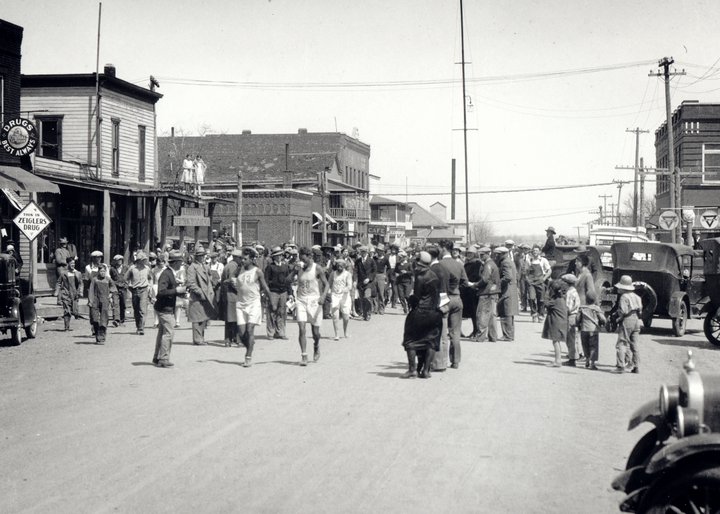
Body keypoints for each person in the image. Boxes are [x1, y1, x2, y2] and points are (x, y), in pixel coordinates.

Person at [400, 251, 442, 379]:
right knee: (430, 340)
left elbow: (417, 297)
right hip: (434, 312)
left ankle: (412, 369)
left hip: (420, 312)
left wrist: (410, 299)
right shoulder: (434, 275)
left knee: (410, 340)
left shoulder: (420, 277)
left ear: (419, 263)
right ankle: (426, 370)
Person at [232, 247, 272, 367]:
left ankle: (248, 357)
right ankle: (250, 343)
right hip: (240, 304)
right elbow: (233, 279)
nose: (242, 261)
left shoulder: (257, 271)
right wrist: (232, 282)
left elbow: (265, 287)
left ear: (251, 259)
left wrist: (271, 301)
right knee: (241, 333)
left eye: (245, 259)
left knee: (249, 330)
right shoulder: (239, 270)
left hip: (253, 304)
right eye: (242, 258)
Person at [437, 240, 469, 369]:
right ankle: (455, 361)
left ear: (444, 248)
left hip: (444, 298)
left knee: (442, 332)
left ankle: (441, 362)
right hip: (457, 298)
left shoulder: (439, 264)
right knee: (455, 332)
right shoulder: (459, 264)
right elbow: (465, 282)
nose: (438, 250)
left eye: (439, 248)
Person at [293, 246, 329, 366]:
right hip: (301, 300)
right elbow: (287, 281)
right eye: (300, 258)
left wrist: (323, 296)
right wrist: (294, 270)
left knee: (315, 333)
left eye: (303, 259)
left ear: (309, 257)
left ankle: (316, 345)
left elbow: (326, 284)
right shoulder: (299, 268)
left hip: (315, 301)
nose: (301, 261)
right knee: (302, 328)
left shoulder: (317, 268)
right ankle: (304, 355)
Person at [153, 250, 187, 368]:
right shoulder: (167, 274)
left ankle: (157, 358)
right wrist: (176, 291)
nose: (181, 265)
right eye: (180, 262)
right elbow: (161, 291)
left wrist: (179, 291)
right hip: (164, 308)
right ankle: (163, 358)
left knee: (162, 333)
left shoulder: (169, 273)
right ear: (176, 262)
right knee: (169, 333)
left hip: (164, 307)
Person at [185, 246, 217, 345]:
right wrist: (200, 292)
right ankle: (197, 339)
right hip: (197, 297)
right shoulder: (192, 267)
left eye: (203, 255)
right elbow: (190, 283)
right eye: (200, 256)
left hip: (206, 295)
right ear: (196, 257)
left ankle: (201, 338)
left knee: (203, 318)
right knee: (197, 318)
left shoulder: (205, 266)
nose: (202, 257)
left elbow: (209, 279)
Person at [613, 275, 642, 374]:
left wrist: (618, 319)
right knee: (634, 344)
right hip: (636, 320)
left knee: (622, 342)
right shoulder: (637, 297)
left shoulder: (624, 297)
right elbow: (640, 310)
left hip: (627, 319)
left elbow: (623, 311)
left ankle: (620, 366)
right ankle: (636, 366)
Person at [265, 246, 292, 340]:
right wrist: (266, 293)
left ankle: (281, 332)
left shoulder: (285, 267)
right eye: (277, 255)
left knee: (282, 312)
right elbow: (266, 281)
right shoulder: (270, 267)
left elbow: (288, 280)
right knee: (272, 311)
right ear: (274, 257)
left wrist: (290, 293)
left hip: (283, 292)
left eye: (280, 255)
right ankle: (271, 332)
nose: (279, 257)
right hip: (273, 292)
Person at [474, 246, 499, 342]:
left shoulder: (487, 265)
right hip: (493, 292)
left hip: (486, 292)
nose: (480, 256)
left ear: (487, 254)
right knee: (492, 315)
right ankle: (493, 336)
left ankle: (480, 337)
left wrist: (476, 285)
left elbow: (484, 279)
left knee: (482, 314)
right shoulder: (493, 264)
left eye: (482, 255)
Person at [125, 251, 153, 335]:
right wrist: (129, 287)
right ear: (138, 260)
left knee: (142, 310)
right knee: (136, 310)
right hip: (134, 290)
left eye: (145, 260)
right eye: (143, 260)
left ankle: (141, 328)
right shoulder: (132, 268)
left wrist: (150, 287)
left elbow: (150, 278)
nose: (145, 261)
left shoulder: (147, 268)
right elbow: (126, 278)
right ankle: (138, 326)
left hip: (144, 289)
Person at [219, 248, 242, 347]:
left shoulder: (229, 265)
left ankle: (229, 339)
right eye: (241, 258)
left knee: (231, 319)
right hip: (232, 295)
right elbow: (233, 281)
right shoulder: (233, 267)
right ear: (236, 257)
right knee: (234, 319)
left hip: (229, 295)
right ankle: (234, 339)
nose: (242, 260)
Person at [542, 280, 568, 367]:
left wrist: (546, 292)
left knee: (555, 342)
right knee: (557, 341)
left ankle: (558, 361)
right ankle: (558, 359)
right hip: (562, 323)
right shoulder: (561, 299)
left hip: (557, 324)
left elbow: (545, 303)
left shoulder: (555, 301)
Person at [495, 246, 519, 341]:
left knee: (506, 312)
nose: (497, 256)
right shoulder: (509, 261)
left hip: (507, 289)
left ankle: (507, 335)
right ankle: (509, 334)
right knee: (509, 312)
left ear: (503, 254)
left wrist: (497, 283)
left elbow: (507, 277)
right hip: (511, 288)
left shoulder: (505, 263)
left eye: (498, 254)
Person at [577, 293, 606, 370]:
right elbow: (603, 319)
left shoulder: (581, 308)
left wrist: (578, 325)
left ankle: (587, 360)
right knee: (593, 346)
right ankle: (592, 363)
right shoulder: (596, 308)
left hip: (584, 329)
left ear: (586, 299)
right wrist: (602, 323)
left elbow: (577, 319)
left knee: (585, 345)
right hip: (593, 329)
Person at [525, 246, 551, 322]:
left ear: (539, 251)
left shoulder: (543, 260)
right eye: (533, 250)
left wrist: (544, 278)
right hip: (531, 282)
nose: (535, 252)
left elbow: (549, 271)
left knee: (541, 300)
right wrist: (527, 279)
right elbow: (526, 271)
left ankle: (541, 315)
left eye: (536, 250)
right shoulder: (529, 260)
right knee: (531, 298)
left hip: (540, 282)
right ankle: (534, 314)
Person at [88, 265, 112, 344]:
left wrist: (111, 295)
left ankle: (101, 337)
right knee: (95, 319)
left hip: (105, 300)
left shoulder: (108, 280)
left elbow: (113, 288)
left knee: (103, 319)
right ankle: (97, 335)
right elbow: (91, 291)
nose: (102, 273)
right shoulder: (95, 280)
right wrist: (90, 301)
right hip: (95, 300)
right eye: (101, 271)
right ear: (98, 272)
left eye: (104, 271)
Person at [57, 257, 83, 331]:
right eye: (71, 263)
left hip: (75, 294)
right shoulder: (64, 273)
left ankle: (75, 315)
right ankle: (66, 327)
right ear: (68, 264)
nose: (73, 265)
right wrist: (57, 292)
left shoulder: (78, 273)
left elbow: (81, 284)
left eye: (74, 263)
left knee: (74, 311)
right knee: (67, 310)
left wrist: (80, 292)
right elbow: (58, 282)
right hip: (66, 293)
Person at [329, 258, 352, 340]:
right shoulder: (333, 274)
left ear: (344, 266)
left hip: (344, 296)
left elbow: (349, 286)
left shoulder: (347, 274)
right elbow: (329, 283)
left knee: (346, 317)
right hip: (335, 295)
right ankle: (337, 334)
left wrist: (344, 289)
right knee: (335, 315)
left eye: (341, 266)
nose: (340, 267)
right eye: (338, 266)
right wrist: (328, 291)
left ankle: (345, 332)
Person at [562, 273, 581, 367]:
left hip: (570, 316)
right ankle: (575, 355)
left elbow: (568, 308)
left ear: (567, 283)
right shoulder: (575, 292)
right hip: (575, 316)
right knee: (574, 337)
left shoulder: (569, 293)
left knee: (570, 338)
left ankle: (572, 359)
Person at [355, 246, 376, 321]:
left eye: (364, 252)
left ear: (367, 252)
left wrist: (369, 278)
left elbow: (374, 271)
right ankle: (364, 314)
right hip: (360, 283)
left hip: (368, 283)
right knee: (362, 299)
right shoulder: (358, 261)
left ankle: (368, 313)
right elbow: (356, 271)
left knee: (367, 298)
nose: (363, 253)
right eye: (361, 252)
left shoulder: (371, 260)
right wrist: (355, 280)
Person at [109, 255, 128, 326]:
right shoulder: (112, 269)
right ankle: (116, 320)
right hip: (115, 288)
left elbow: (129, 276)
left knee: (123, 304)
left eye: (120, 260)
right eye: (118, 260)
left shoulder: (126, 268)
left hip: (123, 288)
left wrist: (127, 284)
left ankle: (122, 320)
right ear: (115, 261)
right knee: (115, 303)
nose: (119, 261)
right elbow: (110, 278)